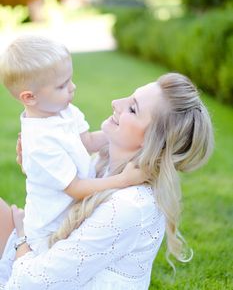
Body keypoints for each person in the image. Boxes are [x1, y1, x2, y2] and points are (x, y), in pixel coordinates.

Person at [0, 73, 214, 289]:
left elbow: (31, 283)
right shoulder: (105, 165)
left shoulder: (130, 205)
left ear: (151, 141)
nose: (116, 103)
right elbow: (68, 195)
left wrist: (22, 237)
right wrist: (39, 170)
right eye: (130, 97)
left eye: (132, 109)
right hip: (45, 255)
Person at [0, 35, 142, 256]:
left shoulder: (65, 111)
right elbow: (75, 188)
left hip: (74, 213)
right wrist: (122, 180)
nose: (72, 88)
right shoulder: (40, 141)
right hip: (51, 228)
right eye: (62, 85)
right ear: (29, 97)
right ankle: (22, 238)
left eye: (70, 79)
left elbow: (88, 142)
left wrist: (122, 131)